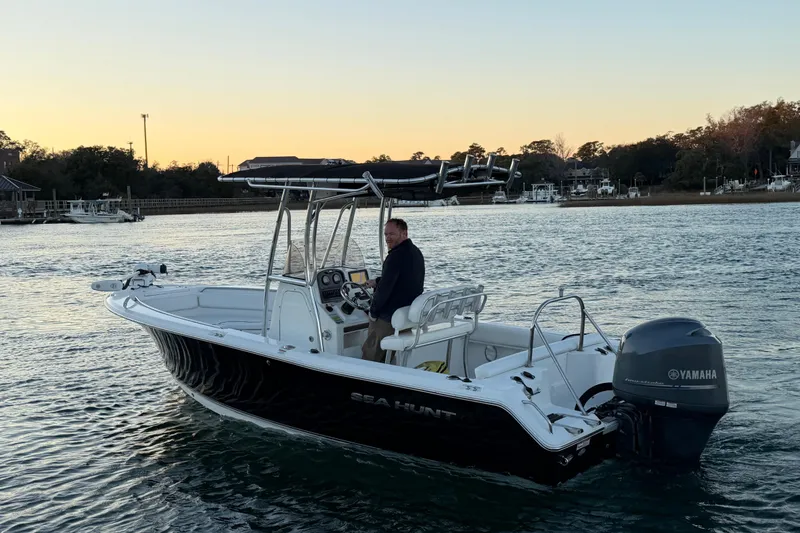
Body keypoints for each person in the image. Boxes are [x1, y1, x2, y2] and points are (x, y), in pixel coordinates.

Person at [361, 218, 425, 363]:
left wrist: (373, 312)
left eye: (392, 234)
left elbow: (384, 290)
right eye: (386, 235)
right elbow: (402, 279)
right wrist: (376, 282)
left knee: (371, 355)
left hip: (388, 318)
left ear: (404, 233)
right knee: (393, 358)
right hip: (406, 316)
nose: (388, 238)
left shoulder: (395, 256)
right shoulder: (415, 253)